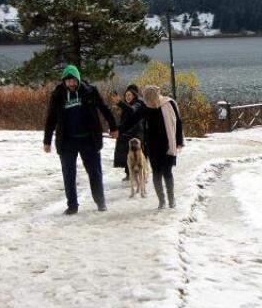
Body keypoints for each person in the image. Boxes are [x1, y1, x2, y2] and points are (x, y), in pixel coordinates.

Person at [43, 65, 118, 215]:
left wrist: (113, 126)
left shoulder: (90, 91)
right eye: (68, 81)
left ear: (78, 79)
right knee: (68, 174)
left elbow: (104, 108)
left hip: (89, 139)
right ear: (64, 82)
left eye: (73, 81)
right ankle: (72, 205)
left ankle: (100, 202)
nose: (71, 84)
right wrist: (47, 140)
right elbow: (51, 118)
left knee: (95, 172)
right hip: (67, 141)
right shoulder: (58, 95)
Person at [126, 85, 184, 209]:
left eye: (152, 101)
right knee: (156, 173)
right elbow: (133, 119)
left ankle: (171, 199)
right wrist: (119, 130)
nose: (150, 104)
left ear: (157, 97)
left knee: (167, 172)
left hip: (168, 144)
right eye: (148, 101)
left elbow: (178, 123)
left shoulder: (169, 104)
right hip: (152, 146)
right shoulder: (145, 107)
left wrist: (179, 140)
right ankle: (161, 201)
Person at [112, 84, 145, 181]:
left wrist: (120, 103)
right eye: (126, 96)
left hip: (136, 133)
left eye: (129, 95)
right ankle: (128, 173)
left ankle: (138, 173)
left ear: (134, 95)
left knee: (135, 154)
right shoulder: (127, 105)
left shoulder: (138, 103)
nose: (127, 97)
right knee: (126, 153)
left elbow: (132, 111)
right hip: (127, 133)